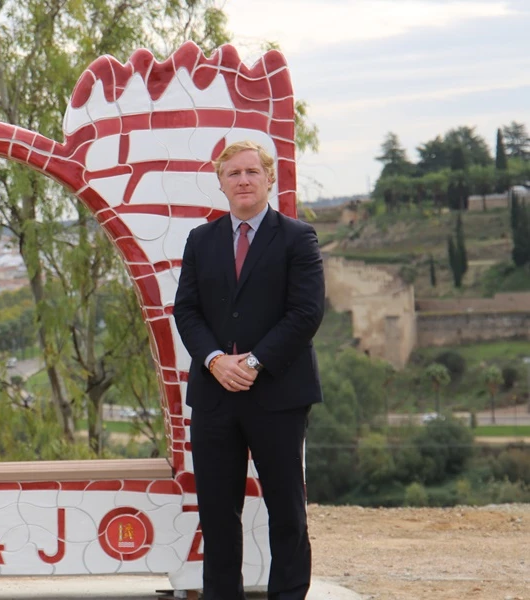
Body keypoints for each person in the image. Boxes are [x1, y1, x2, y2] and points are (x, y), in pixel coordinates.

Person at [173, 140, 324, 600]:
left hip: (278, 395)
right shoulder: (201, 240)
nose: (243, 180)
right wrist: (216, 361)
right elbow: (187, 311)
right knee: (218, 513)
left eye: (252, 172)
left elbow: (306, 312)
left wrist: (254, 363)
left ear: (268, 179)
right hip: (215, 395)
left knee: (287, 511)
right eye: (233, 173)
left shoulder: (298, 237)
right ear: (220, 182)